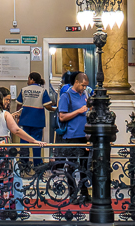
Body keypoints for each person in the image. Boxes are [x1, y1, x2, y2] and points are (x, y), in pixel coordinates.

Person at [0, 87, 42, 221]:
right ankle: (4, 212)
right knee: (4, 181)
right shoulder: (5, 114)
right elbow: (16, 130)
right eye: (5, 100)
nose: (7, 102)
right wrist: (34, 141)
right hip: (2, 149)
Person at [58, 71, 91, 203]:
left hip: (84, 135)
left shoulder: (85, 95)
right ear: (76, 82)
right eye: (83, 85)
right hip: (72, 135)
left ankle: (84, 192)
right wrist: (78, 111)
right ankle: (72, 194)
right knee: (71, 165)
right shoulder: (66, 96)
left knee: (84, 166)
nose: (84, 88)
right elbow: (62, 116)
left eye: (86, 85)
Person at [16, 72, 53, 163]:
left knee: (24, 144)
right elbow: (47, 106)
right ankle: (37, 165)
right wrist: (54, 109)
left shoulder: (24, 90)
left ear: (32, 79)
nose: (28, 81)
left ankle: (24, 165)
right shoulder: (42, 91)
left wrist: (18, 117)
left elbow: (19, 105)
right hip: (37, 121)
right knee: (37, 144)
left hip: (25, 120)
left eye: (29, 79)